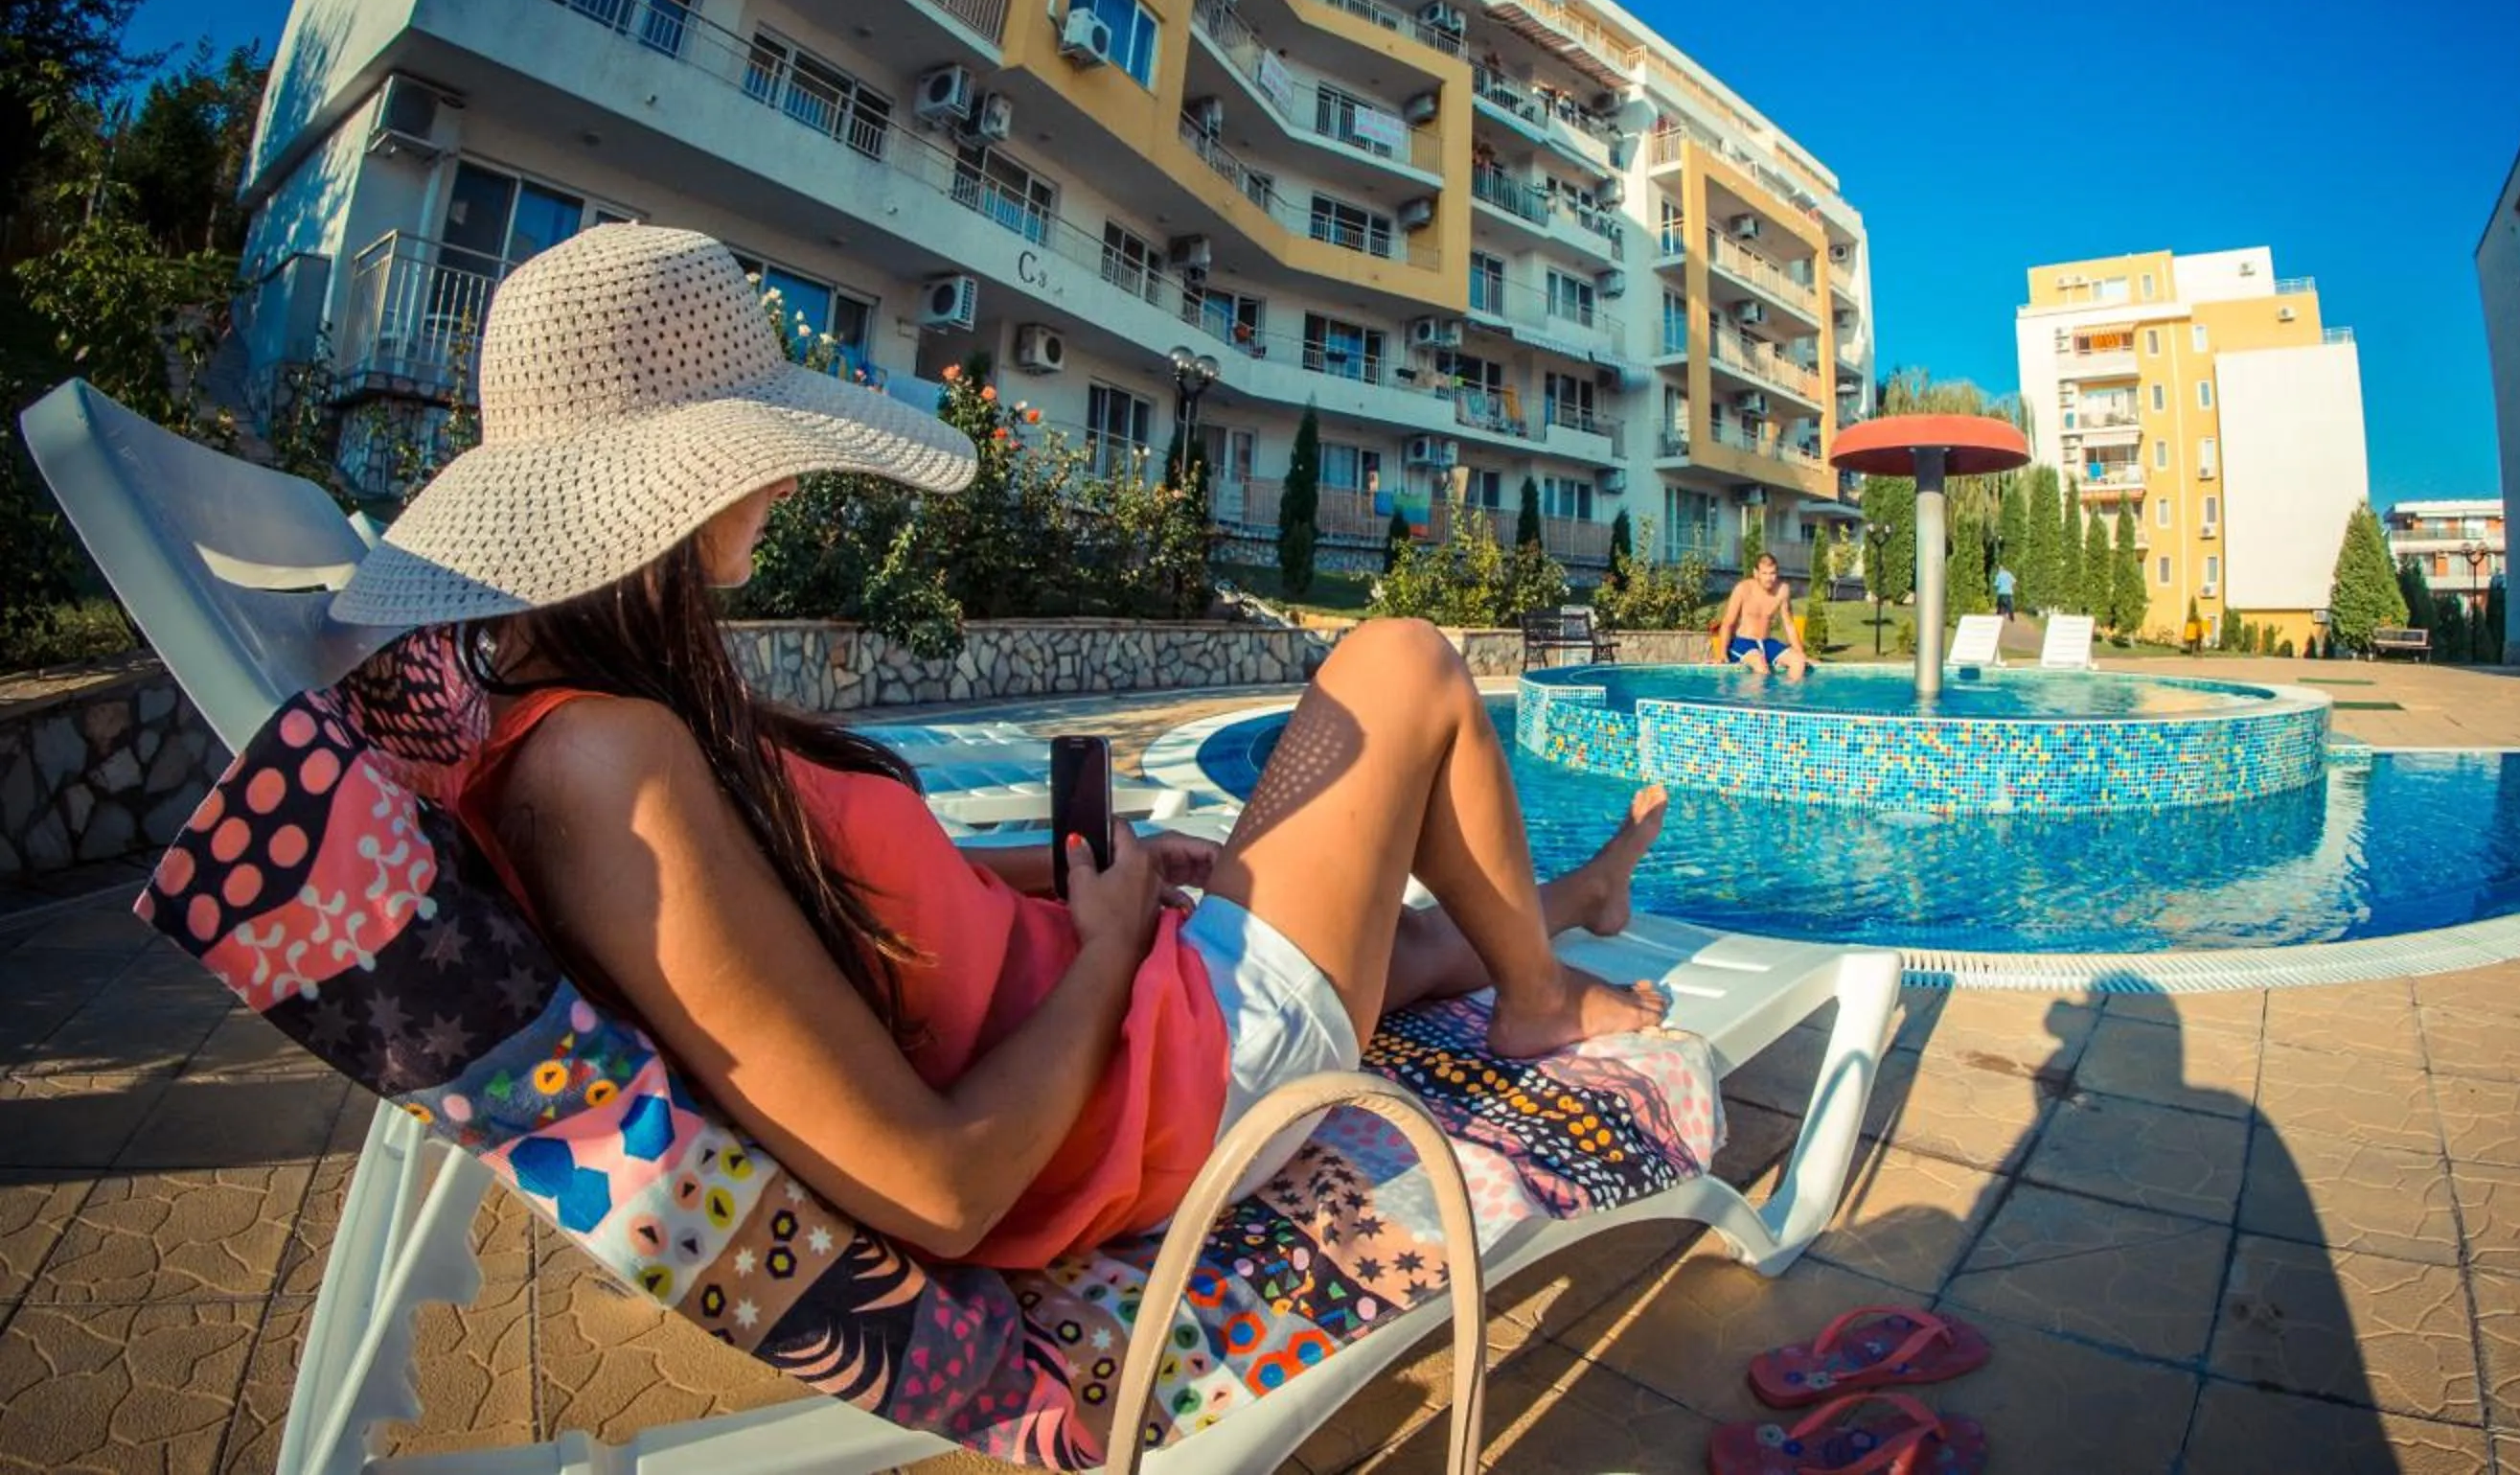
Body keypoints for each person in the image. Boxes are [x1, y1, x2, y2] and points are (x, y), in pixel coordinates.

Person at [328, 226, 1669, 1272]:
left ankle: (1566, 911)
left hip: (1116, 1017)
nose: (784, 479)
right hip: (1148, 1093)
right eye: (756, 446)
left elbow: (827, 922)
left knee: (1366, 924)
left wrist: (1068, 882)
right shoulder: (601, 771)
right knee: (1405, 662)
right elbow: (946, 1188)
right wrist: (1104, 950)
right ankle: (1536, 997)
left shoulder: (594, 721)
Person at [1714, 551, 1808, 676]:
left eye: (1772, 573)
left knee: (1798, 661)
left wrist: (1800, 652)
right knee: (1760, 665)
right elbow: (1728, 623)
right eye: (1764, 573)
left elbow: (1789, 625)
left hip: (1766, 643)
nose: (1769, 578)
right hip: (1743, 643)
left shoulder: (1782, 590)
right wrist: (1722, 654)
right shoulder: (1743, 588)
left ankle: (1791, 689)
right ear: (1756, 573)